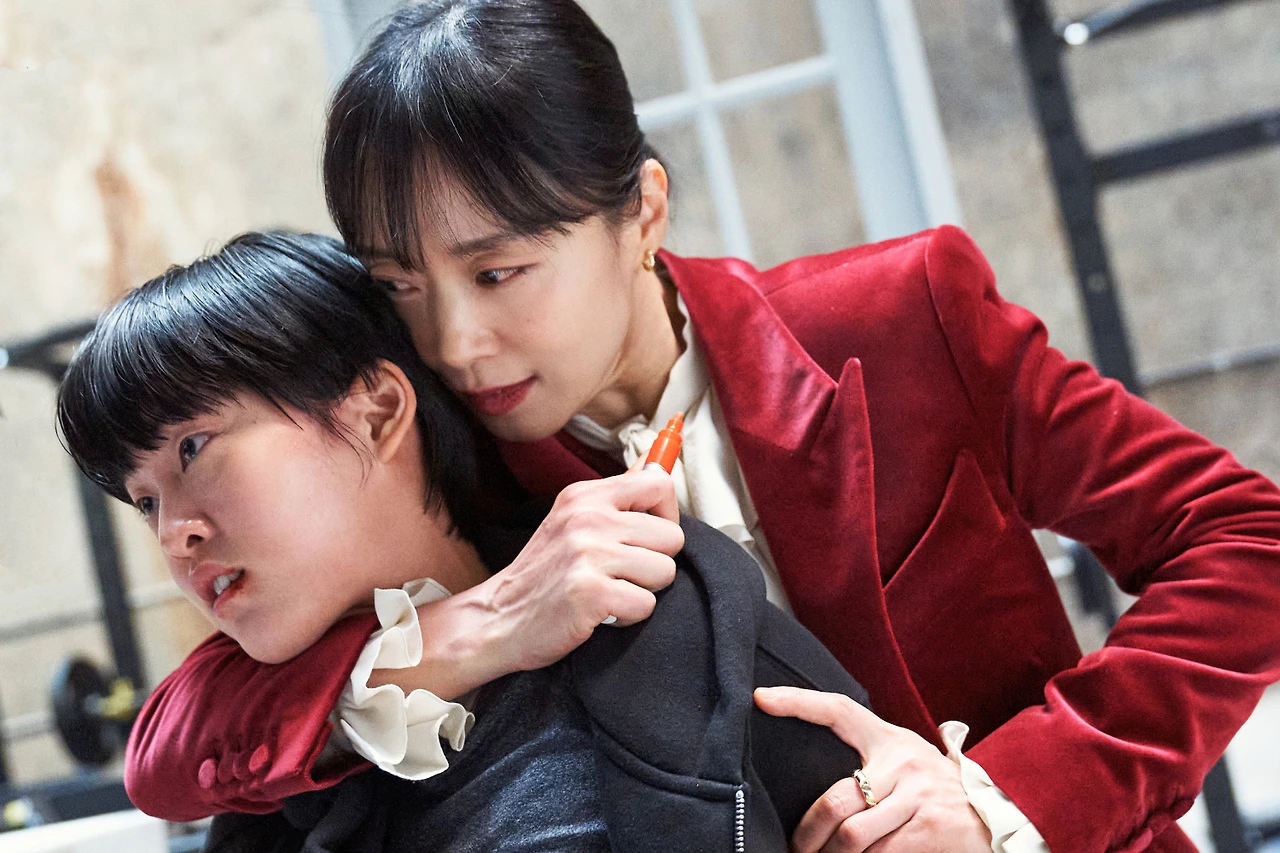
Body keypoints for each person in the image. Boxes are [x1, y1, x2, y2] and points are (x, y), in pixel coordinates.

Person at [120, 2, 1280, 852]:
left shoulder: (899, 318)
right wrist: (480, 627)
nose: (456, 342)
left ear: (642, 211)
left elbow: (1245, 538)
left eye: (499, 271)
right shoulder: (460, 470)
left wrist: (1004, 792)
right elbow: (177, 746)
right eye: (404, 287)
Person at [55, 229, 873, 851]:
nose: (175, 533)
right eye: (144, 501)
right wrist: (479, 630)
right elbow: (160, 754)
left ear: (377, 412)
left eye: (193, 448)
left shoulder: (660, 597)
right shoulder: (265, 783)